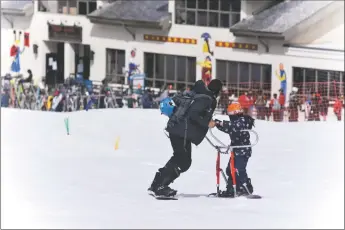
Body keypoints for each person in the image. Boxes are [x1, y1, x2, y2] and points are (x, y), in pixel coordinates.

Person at [148, 79, 222, 197]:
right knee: (183, 161)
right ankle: (160, 186)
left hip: (178, 129)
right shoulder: (207, 98)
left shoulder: (198, 95)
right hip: (181, 131)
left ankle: (157, 184)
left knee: (181, 159)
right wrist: (207, 122)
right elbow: (194, 114)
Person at [214, 102, 255, 197]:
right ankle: (232, 187)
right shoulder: (234, 123)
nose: (230, 118)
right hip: (236, 151)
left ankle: (246, 187)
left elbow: (234, 127)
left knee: (238, 169)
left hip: (243, 151)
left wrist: (219, 123)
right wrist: (216, 124)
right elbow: (229, 128)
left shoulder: (242, 121)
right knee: (230, 170)